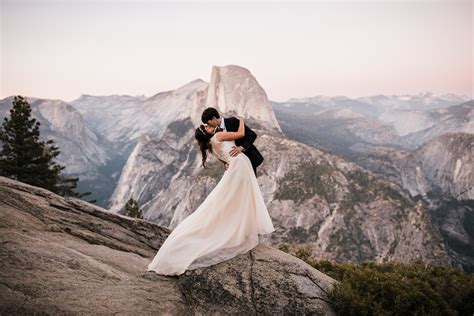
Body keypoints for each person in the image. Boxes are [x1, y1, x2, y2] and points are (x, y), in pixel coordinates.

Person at [146, 116, 275, 276]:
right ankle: (239, 232)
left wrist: (228, 161)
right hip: (240, 167)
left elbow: (225, 156)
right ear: (205, 132)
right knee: (241, 199)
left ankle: (238, 230)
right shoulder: (218, 136)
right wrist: (241, 119)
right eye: (206, 126)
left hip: (237, 167)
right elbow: (241, 133)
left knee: (234, 200)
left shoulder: (212, 145)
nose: (209, 126)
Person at [201, 107, 264, 176]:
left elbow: (252, 135)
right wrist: (225, 163)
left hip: (248, 158)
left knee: (250, 184)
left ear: (214, 118)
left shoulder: (233, 121)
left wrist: (241, 147)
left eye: (208, 123)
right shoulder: (216, 133)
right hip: (234, 165)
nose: (208, 125)